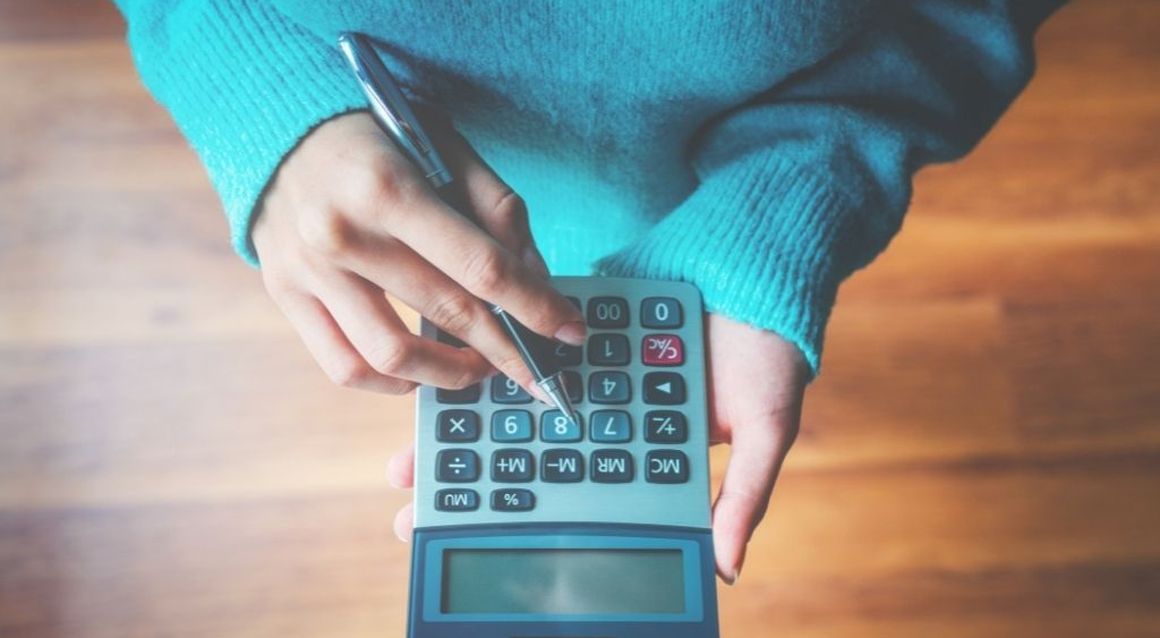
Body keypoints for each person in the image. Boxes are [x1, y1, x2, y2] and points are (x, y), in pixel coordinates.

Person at [114, 0, 1063, 584]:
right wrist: (259, 96)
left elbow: (961, 18)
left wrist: (777, 216)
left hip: (720, 206)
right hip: (416, 197)